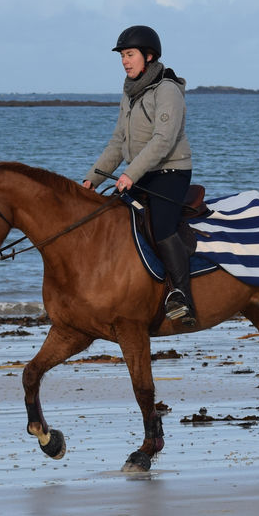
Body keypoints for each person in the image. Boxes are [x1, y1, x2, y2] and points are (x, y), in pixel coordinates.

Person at [81, 25, 198, 326]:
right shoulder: (130, 92)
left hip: (171, 171)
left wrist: (130, 174)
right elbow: (118, 141)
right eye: (122, 56)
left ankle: (182, 296)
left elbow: (163, 140)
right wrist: (91, 180)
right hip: (143, 172)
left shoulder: (167, 90)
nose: (124, 61)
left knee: (161, 227)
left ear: (149, 56)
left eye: (129, 55)